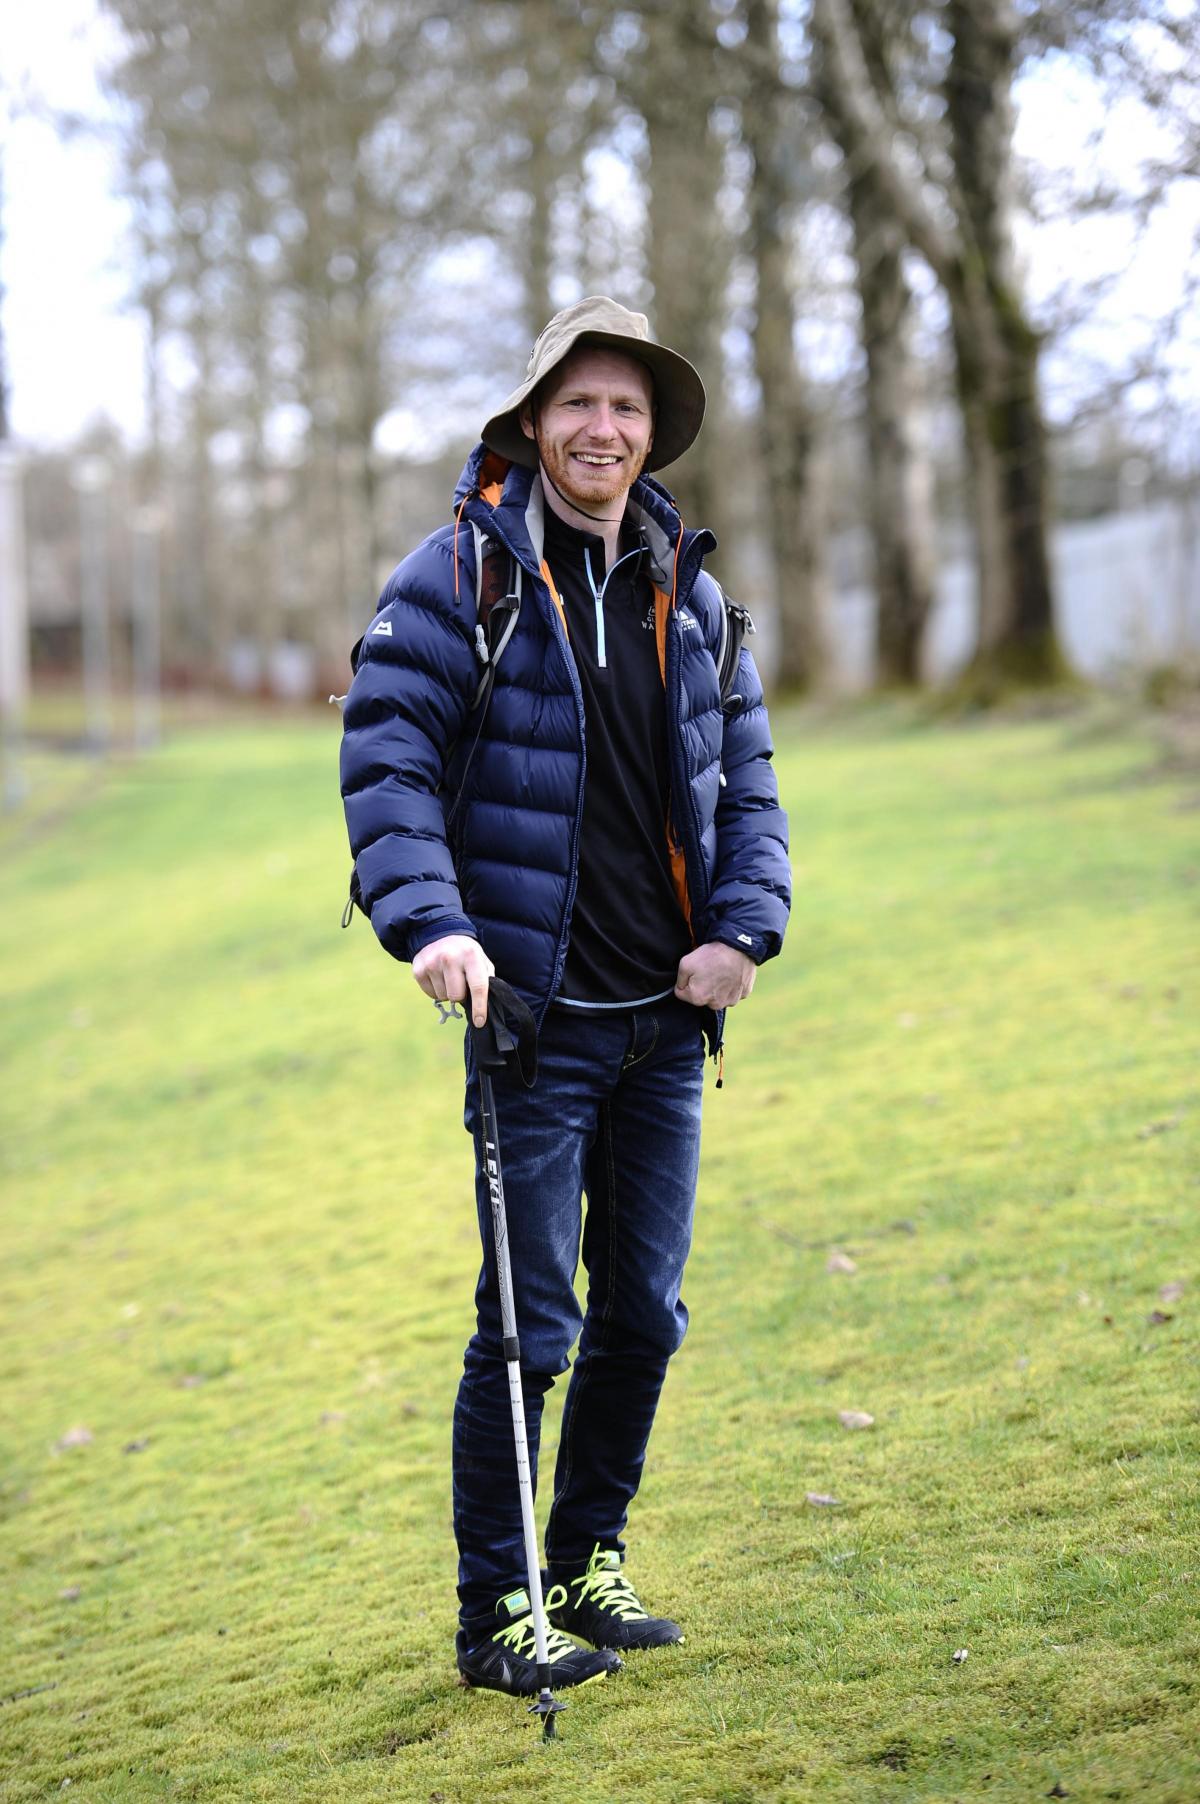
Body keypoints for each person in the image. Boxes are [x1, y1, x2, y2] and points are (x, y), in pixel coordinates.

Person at [339, 296, 790, 1698]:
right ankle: (497, 1613)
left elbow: (751, 780)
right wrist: (431, 926)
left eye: (630, 410)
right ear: (534, 422)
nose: (605, 429)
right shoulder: (457, 577)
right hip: (527, 1020)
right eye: (581, 403)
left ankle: (588, 1557)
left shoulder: (688, 587)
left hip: (662, 1023)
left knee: (644, 1312)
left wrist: (743, 930)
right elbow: (389, 763)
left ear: (651, 437)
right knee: (530, 1319)